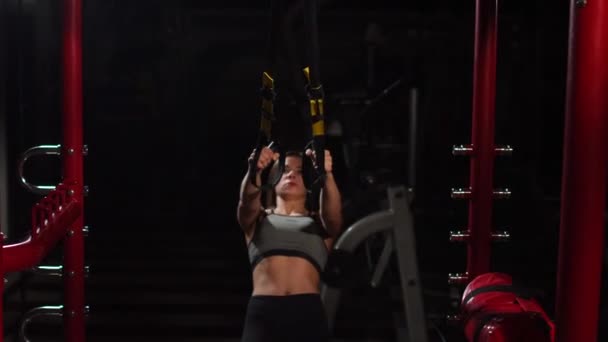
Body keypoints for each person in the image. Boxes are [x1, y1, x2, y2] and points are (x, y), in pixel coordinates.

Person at [237, 145, 343, 342]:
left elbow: (334, 216)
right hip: (264, 314)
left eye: (300, 171)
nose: (291, 175)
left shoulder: (319, 223)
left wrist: (327, 175)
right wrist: (255, 171)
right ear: (273, 180)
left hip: (307, 313)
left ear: (310, 181)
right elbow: (246, 202)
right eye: (285, 170)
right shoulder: (258, 219)